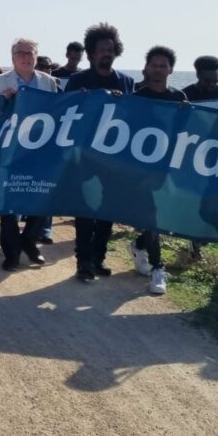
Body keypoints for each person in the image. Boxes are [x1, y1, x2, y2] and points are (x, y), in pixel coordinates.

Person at [64, 23, 136, 282]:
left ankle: (99, 257)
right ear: (91, 53)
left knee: (108, 209)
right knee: (84, 209)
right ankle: (83, 260)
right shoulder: (77, 80)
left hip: (113, 156)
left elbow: (134, 119)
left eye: (110, 48)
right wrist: (81, 100)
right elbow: (65, 115)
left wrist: (121, 105)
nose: (106, 52)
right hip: (84, 154)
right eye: (101, 49)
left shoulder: (127, 82)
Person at [0, 39, 59, 269]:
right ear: (12, 57)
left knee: (39, 198)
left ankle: (29, 240)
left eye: (31, 53)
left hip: (39, 150)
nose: (26, 56)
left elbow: (57, 113)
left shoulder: (48, 82)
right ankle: (12, 253)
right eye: (21, 53)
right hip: (9, 150)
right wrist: (3, 102)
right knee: (8, 204)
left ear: (36, 56)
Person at [127, 46, 188, 295]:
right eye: (154, 64)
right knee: (152, 216)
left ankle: (139, 245)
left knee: (158, 217)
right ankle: (158, 268)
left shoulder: (179, 97)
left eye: (163, 65)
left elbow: (185, 134)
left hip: (166, 167)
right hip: (139, 169)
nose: (159, 69)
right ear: (146, 68)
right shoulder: (136, 97)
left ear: (170, 69)